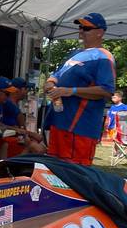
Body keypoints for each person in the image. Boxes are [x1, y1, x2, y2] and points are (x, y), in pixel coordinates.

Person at [43, 13, 115, 166]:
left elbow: (107, 91)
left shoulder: (104, 57)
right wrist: (50, 82)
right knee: (55, 170)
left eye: (86, 28)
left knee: (75, 174)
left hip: (80, 128)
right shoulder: (75, 53)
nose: (81, 31)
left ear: (100, 32)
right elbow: (57, 74)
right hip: (59, 122)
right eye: (80, 27)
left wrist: (71, 91)